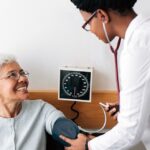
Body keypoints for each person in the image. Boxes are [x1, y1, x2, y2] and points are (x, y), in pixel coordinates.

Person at [60, 0, 150, 149]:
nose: (91, 31)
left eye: (88, 24)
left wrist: (87, 146)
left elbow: (130, 132)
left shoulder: (138, 48)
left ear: (102, 15)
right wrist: (130, 107)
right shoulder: (144, 34)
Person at [0, 54, 79, 150]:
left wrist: (72, 137)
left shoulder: (40, 108)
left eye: (22, 73)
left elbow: (59, 123)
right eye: (12, 75)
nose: (23, 78)